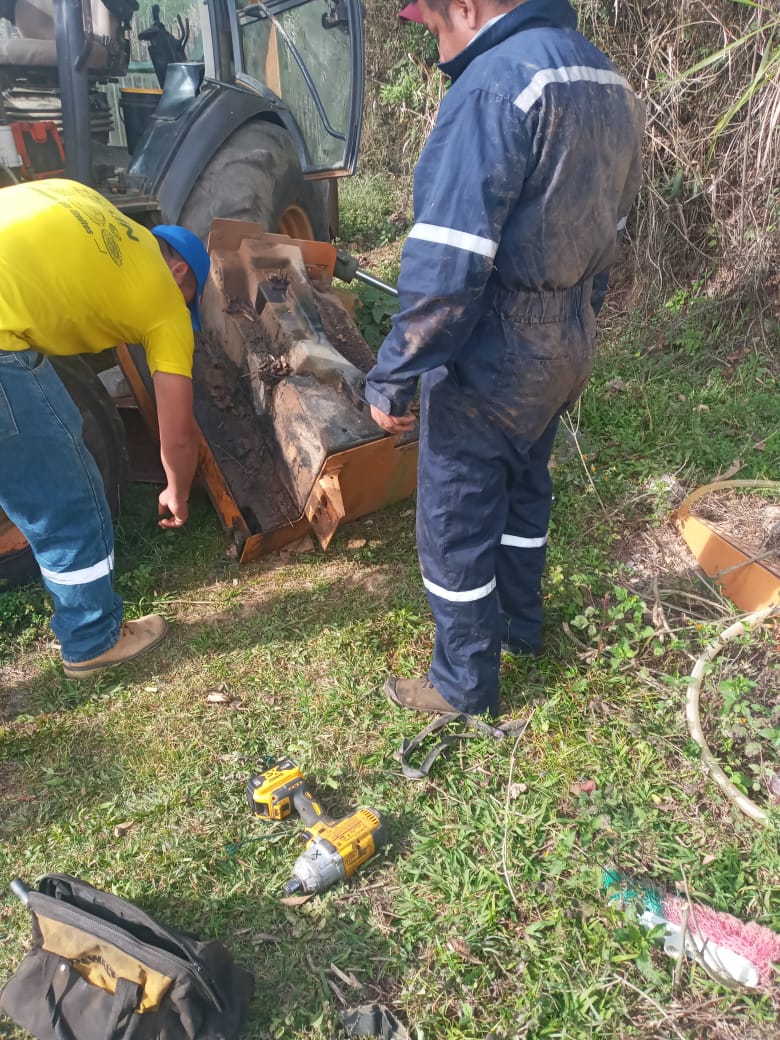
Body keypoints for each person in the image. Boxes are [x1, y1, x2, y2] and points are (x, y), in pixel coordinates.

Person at [365, 0, 645, 717]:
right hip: (568, 335)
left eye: (434, 25)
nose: (436, 47)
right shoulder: (606, 79)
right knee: (524, 484)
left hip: (497, 343)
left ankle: (463, 685)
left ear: (466, 5)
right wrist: (579, 314)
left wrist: (395, 372)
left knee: (456, 513)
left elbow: (449, 261)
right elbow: (611, 226)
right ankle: (520, 626)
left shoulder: (494, 84)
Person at [0, 178, 210, 679]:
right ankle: (92, 638)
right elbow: (178, 434)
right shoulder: (166, 303)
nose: (183, 311)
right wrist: (178, 491)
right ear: (179, 271)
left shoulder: (87, 201)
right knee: (67, 492)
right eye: (191, 299)